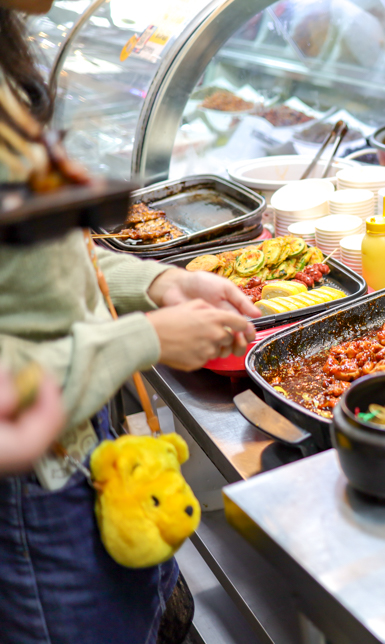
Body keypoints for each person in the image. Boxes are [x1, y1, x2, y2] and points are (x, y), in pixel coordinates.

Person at [0, 2, 261, 642]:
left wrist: (160, 280)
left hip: (76, 441)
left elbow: (38, 257)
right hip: (32, 493)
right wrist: (144, 339)